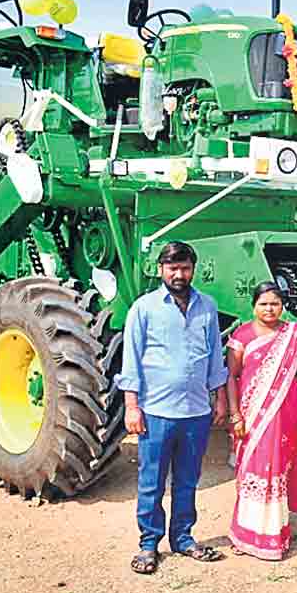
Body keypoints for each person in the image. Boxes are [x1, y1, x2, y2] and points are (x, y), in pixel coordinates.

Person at [119, 241, 229, 575]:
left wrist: (220, 397)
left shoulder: (207, 306)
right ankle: (148, 544)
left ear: (193, 269)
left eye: (184, 268)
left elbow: (215, 357)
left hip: (196, 411)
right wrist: (132, 407)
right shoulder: (144, 308)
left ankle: (182, 537)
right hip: (155, 411)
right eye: (172, 268)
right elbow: (131, 359)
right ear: (160, 270)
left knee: (187, 479)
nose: (178, 274)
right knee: (151, 479)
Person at [224, 282, 297, 560]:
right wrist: (235, 414)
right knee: (253, 468)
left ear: (282, 305)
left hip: (286, 411)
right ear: (253, 305)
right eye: (263, 303)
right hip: (253, 415)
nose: (269, 309)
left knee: (277, 467)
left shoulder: (295, 335)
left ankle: (275, 533)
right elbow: (231, 376)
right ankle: (245, 533)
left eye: (275, 303)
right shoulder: (242, 336)